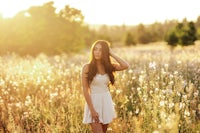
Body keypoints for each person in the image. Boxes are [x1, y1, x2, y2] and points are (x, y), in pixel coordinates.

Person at [82, 40, 129, 133]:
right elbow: (85, 89)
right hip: (94, 102)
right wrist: (92, 110)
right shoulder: (87, 67)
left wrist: (111, 53)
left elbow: (125, 65)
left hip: (106, 101)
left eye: (101, 50)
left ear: (105, 52)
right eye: (95, 49)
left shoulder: (109, 66)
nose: (97, 52)